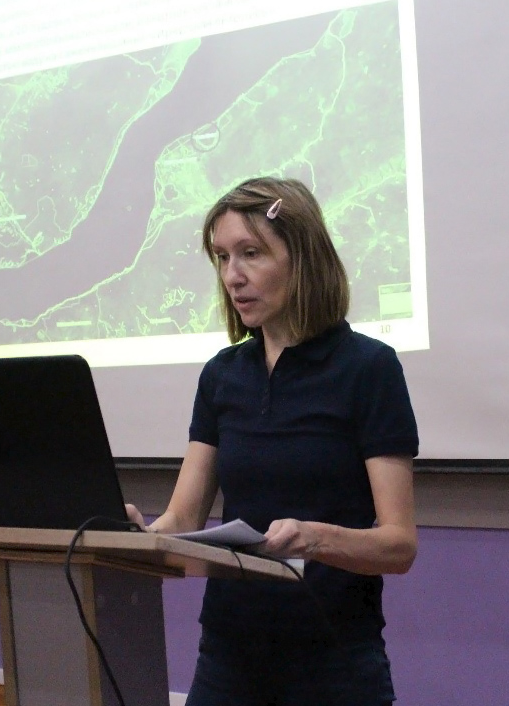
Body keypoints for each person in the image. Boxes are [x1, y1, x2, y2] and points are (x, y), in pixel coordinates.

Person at [126, 176, 419, 706]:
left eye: (251, 254)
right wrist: (137, 537)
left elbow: (399, 547)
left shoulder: (368, 368)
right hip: (228, 655)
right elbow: (182, 519)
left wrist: (314, 538)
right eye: (221, 258)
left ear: (301, 258)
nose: (232, 276)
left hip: (334, 660)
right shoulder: (222, 375)